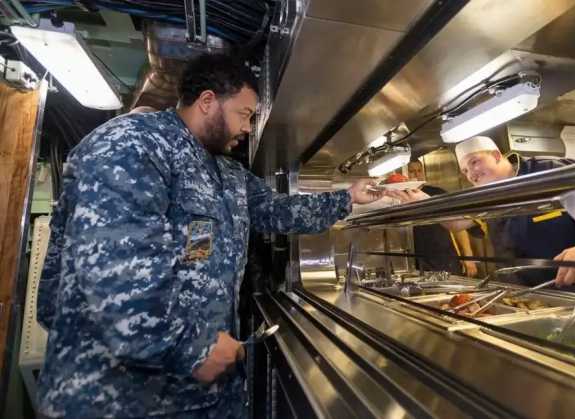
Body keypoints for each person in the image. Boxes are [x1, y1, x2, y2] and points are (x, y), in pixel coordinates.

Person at [35, 53, 382, 419]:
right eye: (245, 114)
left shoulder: (225, 172)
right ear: (207, 102)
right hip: (117, 398)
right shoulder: (132, 146)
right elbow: (114, 273)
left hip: (193, 396)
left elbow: (276, 210)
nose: (249, 127)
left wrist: (349, 197)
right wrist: (191, 348)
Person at [388, 136, 575, 289]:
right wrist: (424, 203)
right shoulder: (489, 194)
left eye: (474, 162)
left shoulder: (549, 170)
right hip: (524, 294)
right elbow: (457, 223)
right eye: (465, 171)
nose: (471, 174)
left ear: (496, 155)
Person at [405, 160, 477, 276]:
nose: (416, 174)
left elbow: (459, 228)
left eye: (419, 170)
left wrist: (468, 257)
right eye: (411, 171)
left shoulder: (437, 193)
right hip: (416, 261)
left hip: (444, 258)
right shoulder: (401, 197)